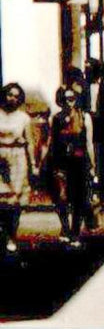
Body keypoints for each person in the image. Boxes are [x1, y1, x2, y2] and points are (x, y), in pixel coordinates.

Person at [46, 87, 96, 247]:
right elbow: (50, 141)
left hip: (79, 161)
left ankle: (75, 232)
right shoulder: (56, 118)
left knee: (78, 199)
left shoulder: (84, 117)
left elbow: (89, 142)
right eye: (67, 98)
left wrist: (92, 165)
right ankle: (65, 227)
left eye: (73, 97)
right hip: (60, 162)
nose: (70, 101)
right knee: (61, 198)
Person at [0, 84, 36, 254]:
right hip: (0, 157)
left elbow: (30, 143)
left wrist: (33, 165)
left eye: (15, 96)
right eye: (9, 95)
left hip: (17, 158)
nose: (12, 98)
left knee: (14, 202)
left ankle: (11, 235)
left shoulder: (24, 118)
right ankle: (3, 232)